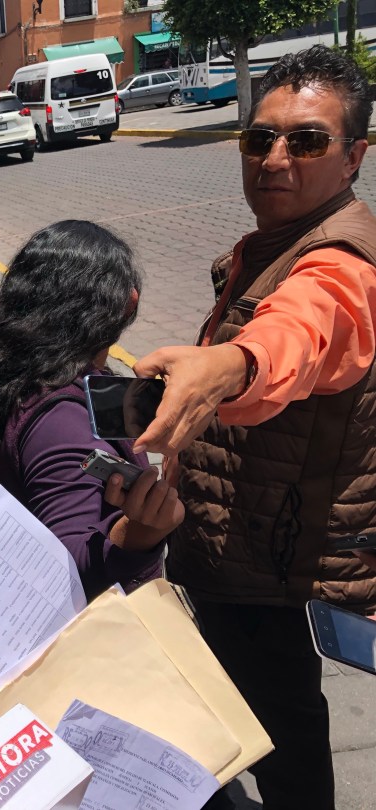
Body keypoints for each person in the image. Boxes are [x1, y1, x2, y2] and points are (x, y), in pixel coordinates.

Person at [132, 46, 376, 810]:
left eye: (306, 141)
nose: (274, 158)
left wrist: (231, 365)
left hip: (276, 575)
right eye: (259, 138)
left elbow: (298, 333)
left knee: (286, 746)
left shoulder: (342, 265)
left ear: (354, 158)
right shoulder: (272, 244)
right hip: (239, 551)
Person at [0, 221, 180, 600]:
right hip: (97, 624)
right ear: (128, 303)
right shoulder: (61, 419)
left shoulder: (23, 370)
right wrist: (142, 532)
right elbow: (67, 566)